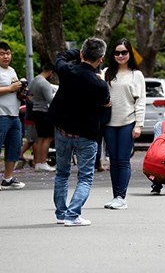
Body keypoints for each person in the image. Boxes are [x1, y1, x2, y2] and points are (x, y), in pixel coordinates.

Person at [49, 38, 111, 226]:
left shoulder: (66, 71)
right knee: (85, 177)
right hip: (87, 133)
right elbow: (106, 105)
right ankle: (73, 214)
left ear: (82, 54)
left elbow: (60, 56)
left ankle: (61, 213)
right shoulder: (100, 84)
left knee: (62, 173)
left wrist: (79, 52)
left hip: (63, 130)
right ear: (101, 58)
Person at [102, 38, 146, 210]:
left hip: (128, 121)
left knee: (123, 160)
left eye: (124, 52)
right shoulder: (106, 72)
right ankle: (115, 196)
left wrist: (139, 125)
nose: (120, 55)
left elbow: (140, 101)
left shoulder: (137, 75)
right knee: (113, 160)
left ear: (129, 54)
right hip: (109, 122)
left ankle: (121, 196)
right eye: (117, 52)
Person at [0, 41, 27, 191]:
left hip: (14, 115)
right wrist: (10, 88)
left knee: (14, 147)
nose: (6, 56)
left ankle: (7, 178)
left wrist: (21, 90)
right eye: (2, 54)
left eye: (8, 53)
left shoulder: (11, 70)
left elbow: (14, 90)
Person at [29, 61, 56, 172]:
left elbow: (30, 94)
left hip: (36, 110)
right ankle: (43, 162)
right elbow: (50, 99)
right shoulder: (44, 83)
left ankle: (38, 162)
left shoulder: (35, 80)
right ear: (51, 72)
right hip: (44, 111)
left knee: (40, 138)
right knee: (48, 138)